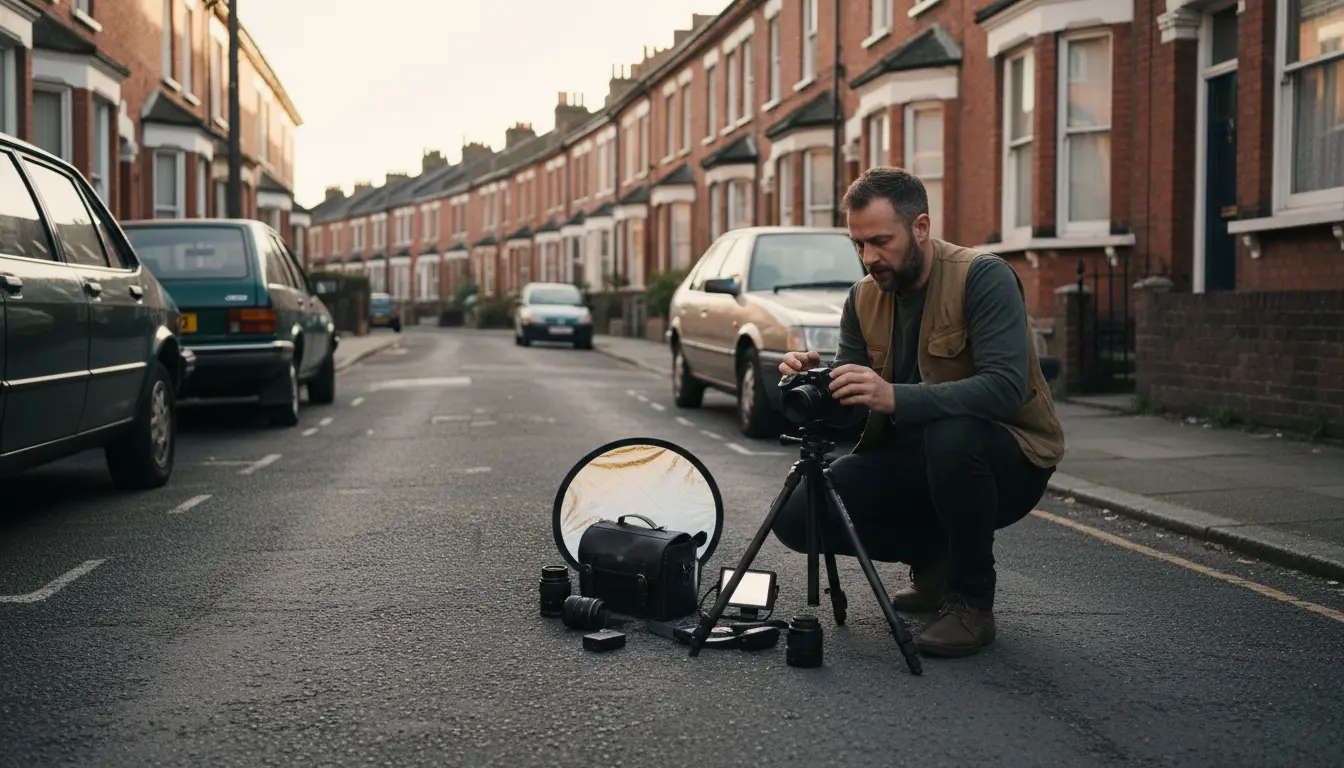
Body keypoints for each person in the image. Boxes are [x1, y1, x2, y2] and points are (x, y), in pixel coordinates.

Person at [771, 167, 1065, 658]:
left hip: (1006, 459)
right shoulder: (862, 298)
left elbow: (1006, 390)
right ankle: (932, 558)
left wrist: (896, 397)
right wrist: (817, 385)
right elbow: (852, 412)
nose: (869, 258)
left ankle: (971, 602)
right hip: (913, 461)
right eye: (858, 245)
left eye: (881, 241)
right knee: (801, 512)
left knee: (951, 435)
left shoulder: (983, 277)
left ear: (921, 228)